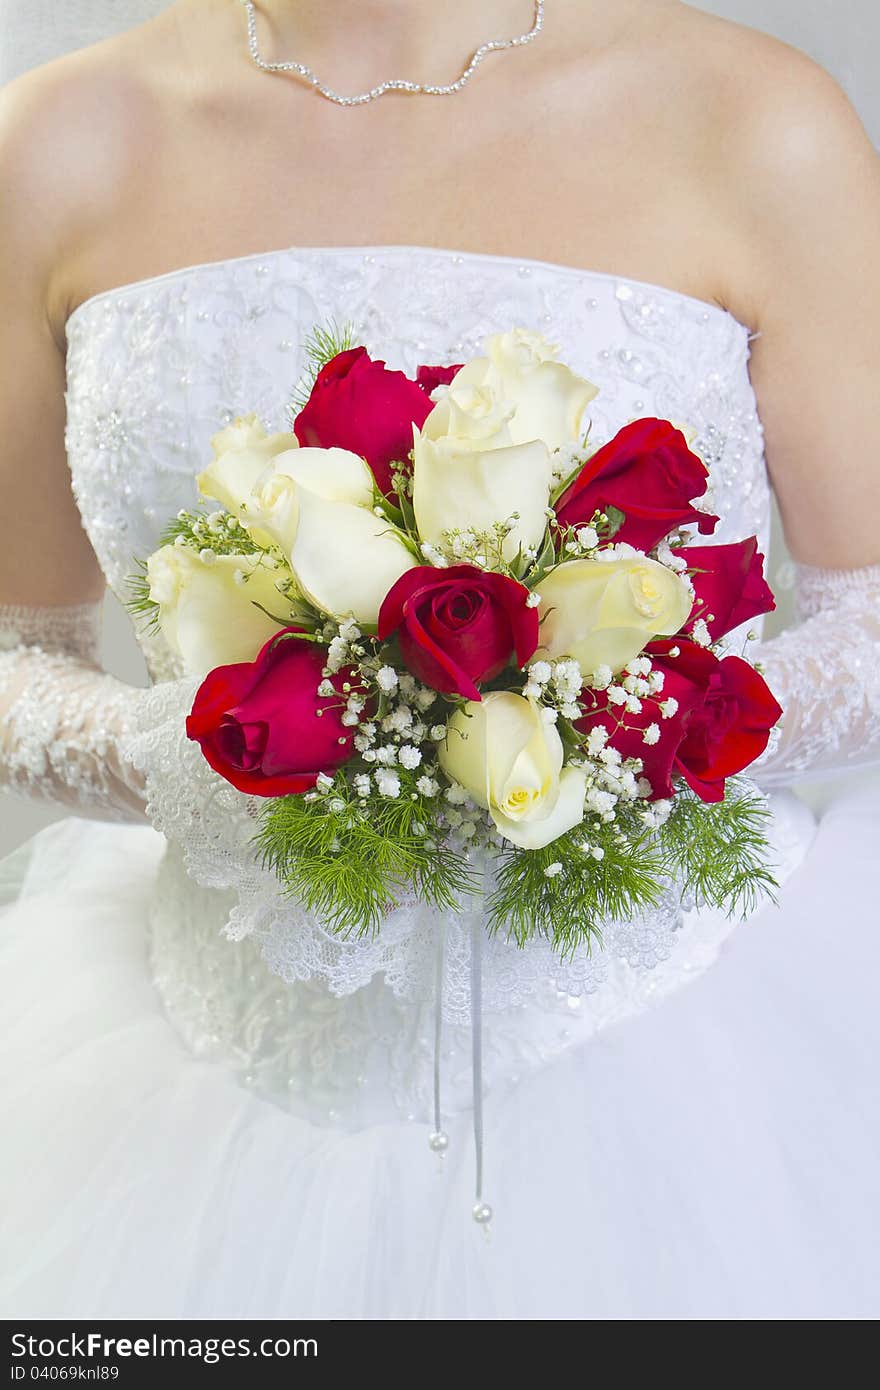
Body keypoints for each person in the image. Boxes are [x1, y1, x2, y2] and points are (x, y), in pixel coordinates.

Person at [1, 0, 879, 1319]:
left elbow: (870, 626)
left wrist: (624, 724)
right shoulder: (60, 140)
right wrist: (181, 753)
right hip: (201, 1071)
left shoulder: (758, 120)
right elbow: (21, 652)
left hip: (677, 1056)